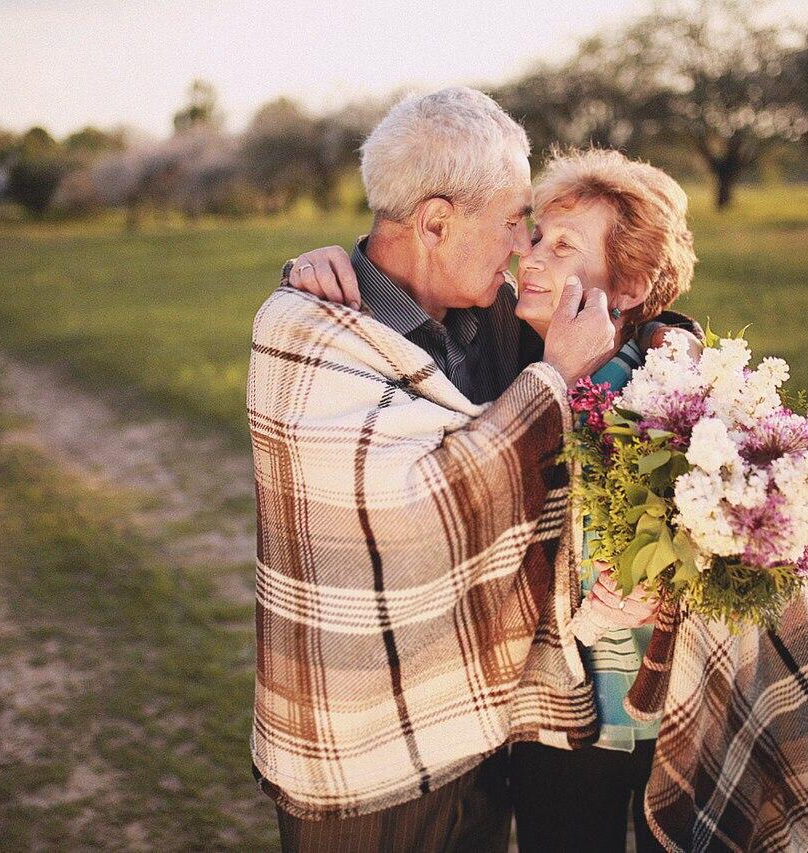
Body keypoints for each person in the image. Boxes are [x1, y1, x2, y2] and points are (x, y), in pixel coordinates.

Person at [287, 147, 703, 851]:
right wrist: (327, 262)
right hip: (535, 701)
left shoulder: (661, 395)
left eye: (563, 246)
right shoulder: (514, 344)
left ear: (627, 286)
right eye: (535, 235)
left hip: (617, 699)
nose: (530, 257)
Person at [247, 87, 621, 853]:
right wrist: (551, 380)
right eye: (514, 220)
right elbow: (422, 506)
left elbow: (623, 323)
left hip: (475, 730)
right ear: (437, 222)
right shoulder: (304, 328)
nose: (524, 244)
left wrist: (671, 332)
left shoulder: (491, 320)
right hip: (357, 761)